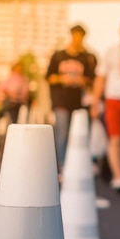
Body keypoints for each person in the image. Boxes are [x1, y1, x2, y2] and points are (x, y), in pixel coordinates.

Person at [90, 21, 120, 194]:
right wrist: (95, 102)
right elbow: (101, 78)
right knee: (115, 139)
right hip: (114, 101)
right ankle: (118, 176)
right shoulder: (111, 52)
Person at [46, 24, 97, 171]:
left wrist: (82, 81)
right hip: (61, 99)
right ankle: (62, 165)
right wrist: (64, 79)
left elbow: (93, 80)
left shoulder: (88, 58)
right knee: (62, 131)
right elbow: (49, 77)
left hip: (80, 101)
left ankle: (78, 163)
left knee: (80, 133)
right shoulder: (58, 56)